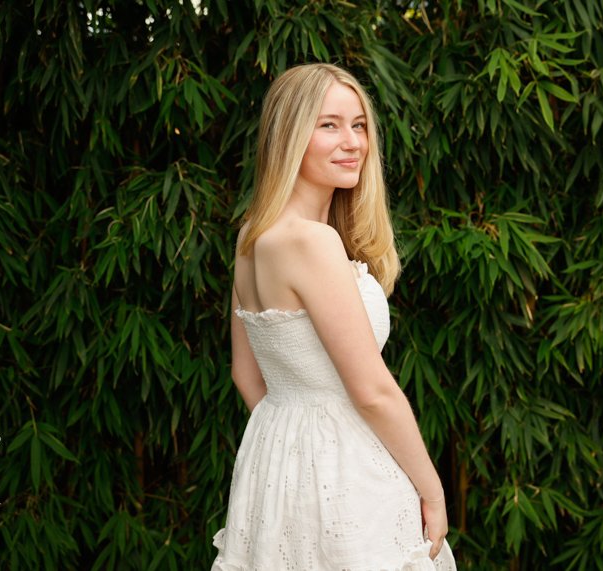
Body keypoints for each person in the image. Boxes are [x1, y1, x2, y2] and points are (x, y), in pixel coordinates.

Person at [211, 63, 456, 570]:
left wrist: (296, 452)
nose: (352, 142)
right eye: (328, 125)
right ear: (288, 136)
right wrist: (432, 489)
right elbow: (371, 390)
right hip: (348, 469)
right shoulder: (312, 241)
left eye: (359, 124)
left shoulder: (252, 235)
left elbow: (247, 375)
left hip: (277, 466)